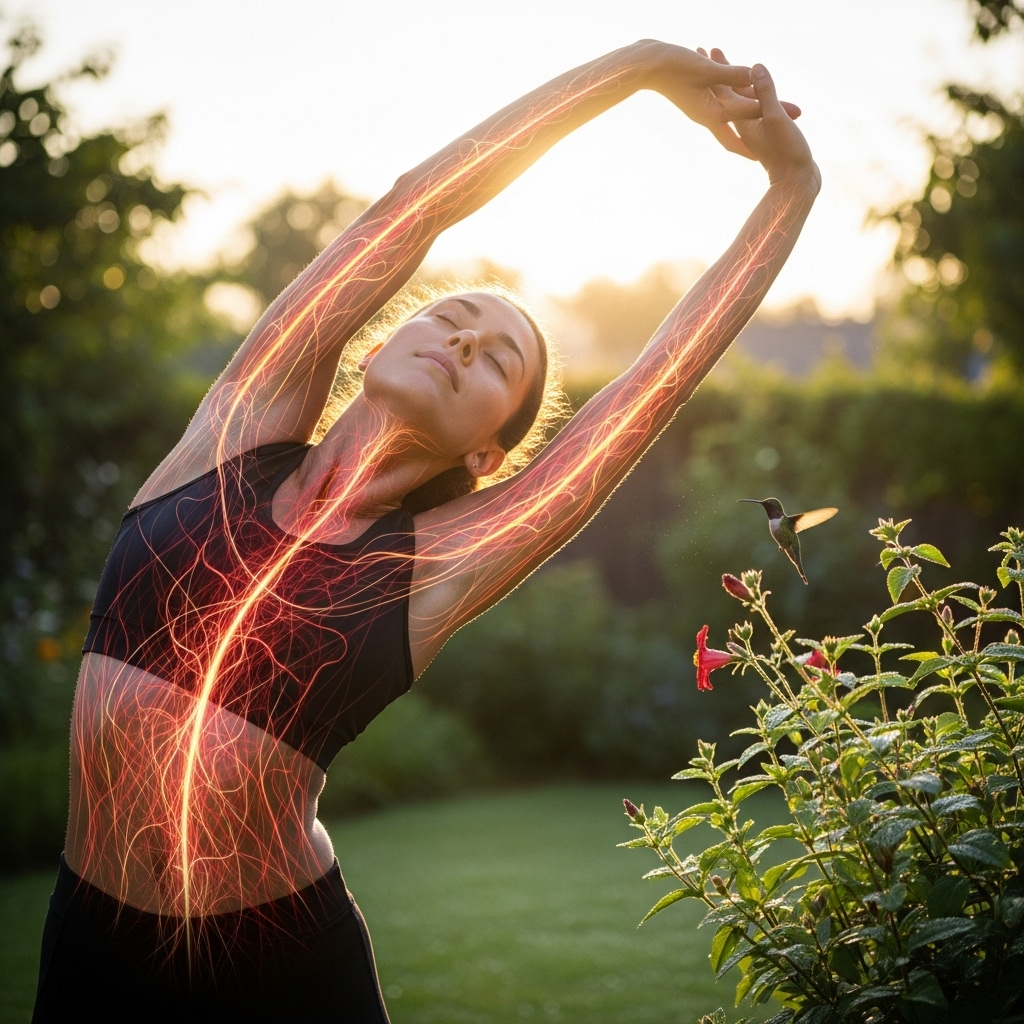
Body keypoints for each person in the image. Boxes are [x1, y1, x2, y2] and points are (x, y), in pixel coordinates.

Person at [32, 40, 819, 1022]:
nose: (462, 340)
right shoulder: (228, 439)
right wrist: (640, 68)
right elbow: (414, 205)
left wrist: (788, 196)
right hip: (90, 948)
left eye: (498, 360)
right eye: (451, 315)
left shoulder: (428, 568)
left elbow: (647, 390)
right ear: (379, 337)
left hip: (276, 973)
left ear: (491, 452)